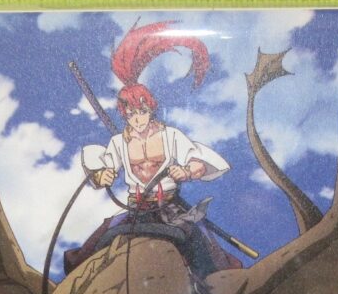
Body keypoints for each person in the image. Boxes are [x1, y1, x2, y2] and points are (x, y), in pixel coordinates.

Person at [64, 21, 239, 278]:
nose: (137, 119)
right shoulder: (119, 143)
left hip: (170, 210)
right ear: (125, 114)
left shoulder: (170, 136)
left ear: (150, 109)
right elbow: (102, 167)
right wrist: (102, 176)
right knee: (90, 250)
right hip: (136, 211)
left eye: (142, 112)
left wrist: (187, 171)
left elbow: (197, 160)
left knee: (207, 256)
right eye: (131, 114)